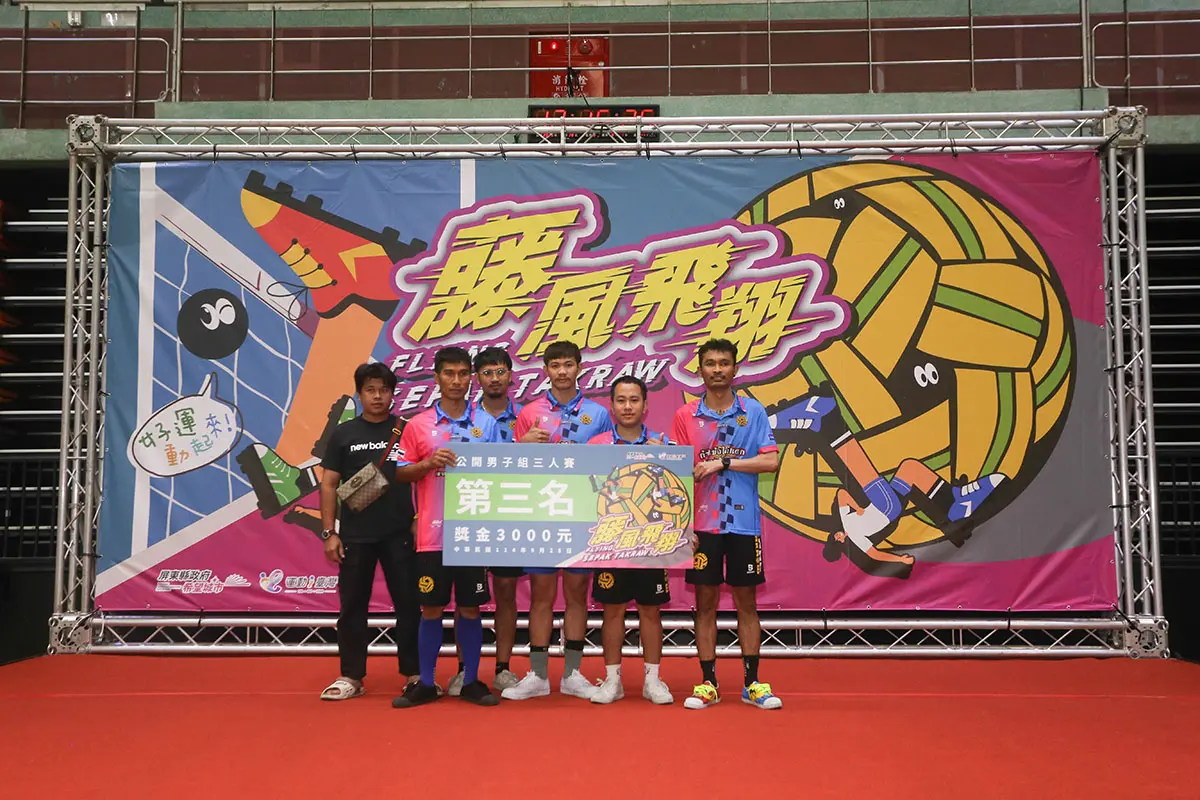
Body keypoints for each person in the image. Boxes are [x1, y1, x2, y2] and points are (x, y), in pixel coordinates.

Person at [771, 382, 1006, 578]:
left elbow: (842, 495)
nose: (838, 537)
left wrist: (857, 509)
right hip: (885, 508)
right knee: (864, 469)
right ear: (841, 544)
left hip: (884, 507)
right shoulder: (857, 539)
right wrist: (900, 560)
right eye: (837, 541)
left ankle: (953, 502)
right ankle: (825, 418)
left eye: (834, 537)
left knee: (910, 470)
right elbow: (876, 555)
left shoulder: (846, 521)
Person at [671, 338, 782, 711]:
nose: (717, 369)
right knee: (705, 604)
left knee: (746, 602)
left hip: (743, 525)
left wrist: (725, 462)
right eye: (710, 363)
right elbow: (677, 473)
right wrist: (683, 526)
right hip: (702, 527)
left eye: (723, 363)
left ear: (735, 369)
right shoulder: (685, 416)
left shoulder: (753, 411)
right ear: (699, 369)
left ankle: (753, 683)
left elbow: (770, 461)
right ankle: (708, 683)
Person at [502, 340, 614, 701]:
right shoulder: (529, 412)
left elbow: (610, 464)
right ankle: (537, 674)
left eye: (568, 364)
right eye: (555, 365)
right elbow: (511, 468)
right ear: (546, 370)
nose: (562, 371)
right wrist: (521, 446)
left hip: (584, 515)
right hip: (541, 513)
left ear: (579, 367)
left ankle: (572, 674)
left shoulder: (598, 413)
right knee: (541, 594)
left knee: (577, 593)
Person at [391, 347, 502, 708]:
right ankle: (425, 683)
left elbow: (503, 471)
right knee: (431, 609)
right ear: (437, 377)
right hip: (432, 535)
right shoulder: (417, 425)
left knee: (470, 609)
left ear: (471, 378)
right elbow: (399, 472)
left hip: (473, 533)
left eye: (463, 374)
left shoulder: (487, 423)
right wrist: (427, 464)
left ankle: (470, 680)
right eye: (449, 374)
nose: (457, 381)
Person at [317, 362, 419, 701]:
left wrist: (420, 518)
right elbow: (329, 484)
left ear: (393, 394)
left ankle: (415, 675)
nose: (377, 396)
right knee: (352, 608)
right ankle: (351, 676)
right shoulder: (343, 433)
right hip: (355, 535)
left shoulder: (407, 430)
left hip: (400, 533)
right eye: (370, 390)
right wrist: (329, 532)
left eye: (384, 390)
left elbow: (425, 477)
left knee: (409, 605)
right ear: (359, 394)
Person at [586, 375, 675, 705]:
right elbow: (586, 495)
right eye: (621, 400)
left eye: (634, 400)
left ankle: (653, 680)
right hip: (610, 542)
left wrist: (683, 532)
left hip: (650, 542)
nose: (627, 406)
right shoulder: (595, 447)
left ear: (645, 405)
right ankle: (613, 681)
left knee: (650, 610)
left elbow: (677, 497)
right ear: (611, 406)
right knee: (613, 610)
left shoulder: (662, 446)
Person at [446, 347, 524, 696]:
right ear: (477, 378)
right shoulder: (465, 417)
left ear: (511, 375)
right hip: (469, 514)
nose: (494, 379)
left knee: (506, 591)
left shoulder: (526, 418)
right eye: (487, 373)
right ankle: (465, 669)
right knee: (467, 598)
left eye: (500, 371)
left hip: (511, 515)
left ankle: (503, 668)